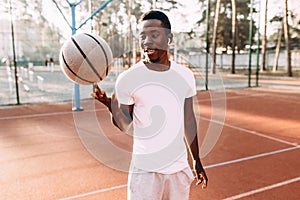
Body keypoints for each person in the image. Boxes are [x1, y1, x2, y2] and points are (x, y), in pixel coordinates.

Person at [91, 10, 208, 200]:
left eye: (154, 35)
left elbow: (188, 119)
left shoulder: (185, 75)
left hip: (178, 169)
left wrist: (196, 160)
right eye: (143, 36)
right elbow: (124, 125)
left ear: (169, 38)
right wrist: (111, 105)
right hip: (145, 172)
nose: (147, 41)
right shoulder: (128, 78)